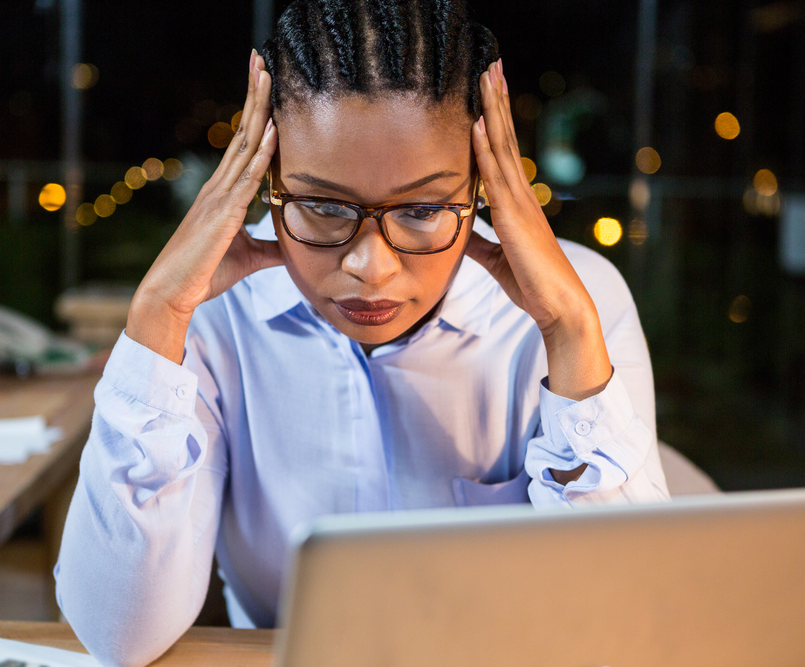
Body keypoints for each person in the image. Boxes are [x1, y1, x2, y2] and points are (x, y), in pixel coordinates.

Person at [54, 1, 669, 664]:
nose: (369, 265)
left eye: (425, 208)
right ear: (267, 182)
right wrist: (156, 321)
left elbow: (632, 633)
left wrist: (569, 336)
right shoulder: (210, 314)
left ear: (484, 183)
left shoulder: (578, 301)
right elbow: (119, 635)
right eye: (321, 205)